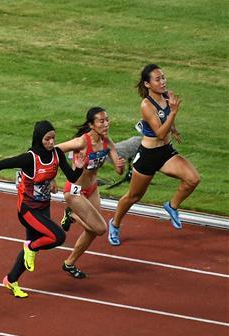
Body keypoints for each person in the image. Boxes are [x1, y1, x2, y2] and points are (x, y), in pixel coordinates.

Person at [0, 121, 82, 297]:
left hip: (44, 207)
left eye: (53, 138)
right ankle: (30, 248)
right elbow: (1, 164)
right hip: (27, 210)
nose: (51, 142)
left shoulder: (57, 154)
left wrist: (80, 166)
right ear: (39, 139)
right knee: (57, 237)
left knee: (34, 246)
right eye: (47, 139)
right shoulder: (29, 159)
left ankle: (11, 280)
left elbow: (72, 177)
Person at [108, 64, 201, 245]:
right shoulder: (146, 105)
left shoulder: (167, 96)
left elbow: (166, 121)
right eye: (158, 79)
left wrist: (174, 129)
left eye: (163, 77)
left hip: (166, 152)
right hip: (148, 156)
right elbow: (159, 133)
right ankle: (115, 224)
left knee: (193, 179)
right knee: (134, 196)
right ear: (147, 84)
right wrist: (173, 112)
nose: (163, 81)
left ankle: (172, 206)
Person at [56, 107, 125, 278]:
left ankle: (69, 263)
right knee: (100, 229)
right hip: (75, 191)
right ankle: (72, 214)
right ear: (91, 125)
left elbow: (119, 171)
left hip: (92, 189)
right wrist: (52, 177)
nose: (106, 124)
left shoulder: (107, 142)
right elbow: (54, 150)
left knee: (92, 231)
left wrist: (120, 166)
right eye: (101, 121)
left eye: (107, 120)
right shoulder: (81, 142)